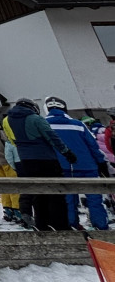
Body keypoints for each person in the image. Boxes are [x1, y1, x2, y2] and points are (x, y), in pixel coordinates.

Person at [7, 97, 77, 230]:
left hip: (26, 160)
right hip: (45, 159)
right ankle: (60, 224)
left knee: (38, 194)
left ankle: (42, 223)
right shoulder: (35, 119)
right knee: (56, 193)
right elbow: (51, 136)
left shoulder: (11, 119)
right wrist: (66, 152)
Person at [44, 97, 108, 230]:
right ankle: (100, 225)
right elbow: (93, 145)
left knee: (68, 198)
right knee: (94, 197)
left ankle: (71, 224)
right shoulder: (77, 124)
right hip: (86, 165)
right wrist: (101, 162)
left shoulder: (44, 124)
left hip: (62, 167)